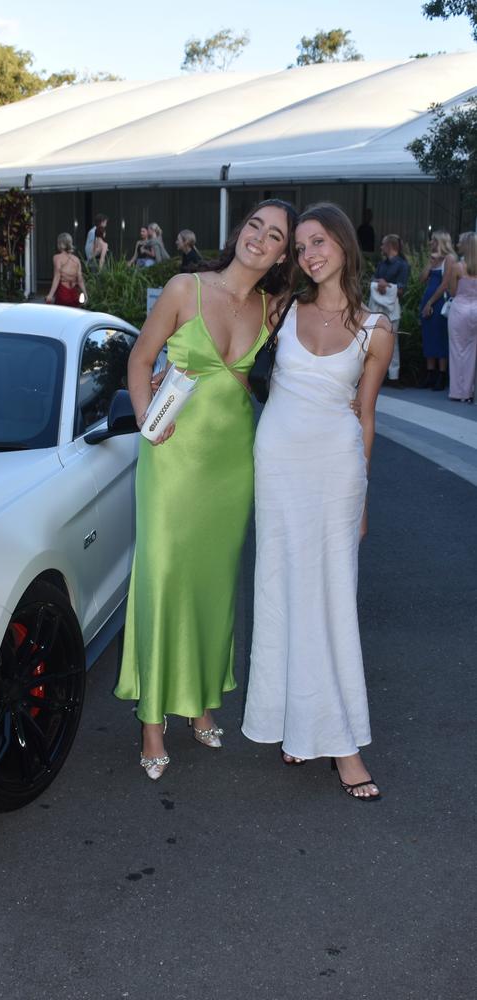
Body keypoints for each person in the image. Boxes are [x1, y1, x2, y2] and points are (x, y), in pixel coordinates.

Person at [114, 200, 297, 780]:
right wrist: (149, 421)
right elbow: (141, 361)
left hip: (230, 464)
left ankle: (201, 704)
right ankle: (151, 720)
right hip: (170, 458)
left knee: (215, 585)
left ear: (282, 255)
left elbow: (331, 321)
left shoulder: (276, 307)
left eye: (274, 237)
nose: (259, 240)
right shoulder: (183, 288)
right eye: (254, 227)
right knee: (163, 578)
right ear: (239, 230)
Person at [242, 202, 393, 801]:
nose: (309, 253)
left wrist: (362, 499)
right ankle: (293, 723)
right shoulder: (281, 309)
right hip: (278, 466)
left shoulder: (375, 328)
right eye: (300, 245)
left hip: (337, 471)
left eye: (318, 241)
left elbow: (366, 416)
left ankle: (343, 744)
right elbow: (227, 349)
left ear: (342, 245)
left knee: (332, 597)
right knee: (281, 593)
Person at [369, 234, 410, 385]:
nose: (380, 247)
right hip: (377, 309)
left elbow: (401, 290)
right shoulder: (382, 264)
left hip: (392, 309)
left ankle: (394, 377)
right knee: (375, 342)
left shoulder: (402, 265)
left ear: (390, 246)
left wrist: (385, 286)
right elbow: (373, 280)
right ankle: (378, 374)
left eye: (383, 244)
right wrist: (379, 282)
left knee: (392, 342)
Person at [420, 230, 456, 390]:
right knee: (428, 336)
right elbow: (422, 280)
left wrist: (430, 303)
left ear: (440, 242)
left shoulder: (449, 259)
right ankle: (430, 373)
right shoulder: (434, 259)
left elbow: (445, 284)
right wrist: (430, 263)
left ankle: (441, 375)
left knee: (440, 337)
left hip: (439, 302)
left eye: (433, 240)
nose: (430, 243)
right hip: (427, 300)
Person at [447, 231, 477, 403]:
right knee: (472, 351)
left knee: (457, 349)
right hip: (476, 308)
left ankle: (458, 392)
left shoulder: (457, 267)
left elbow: (452, 291)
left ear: (466, 246)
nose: (458, 245)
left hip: (460, 309)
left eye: (460, 242)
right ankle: (469, 391)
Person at [45, 233, 88, 307]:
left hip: (63, 293)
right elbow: (80, 279)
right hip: (75, 294)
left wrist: (50, 295)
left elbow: (57, 277)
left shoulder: (57, 258)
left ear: (60, 244)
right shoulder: (76, 259)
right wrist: (85, 294)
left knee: (61, 316)